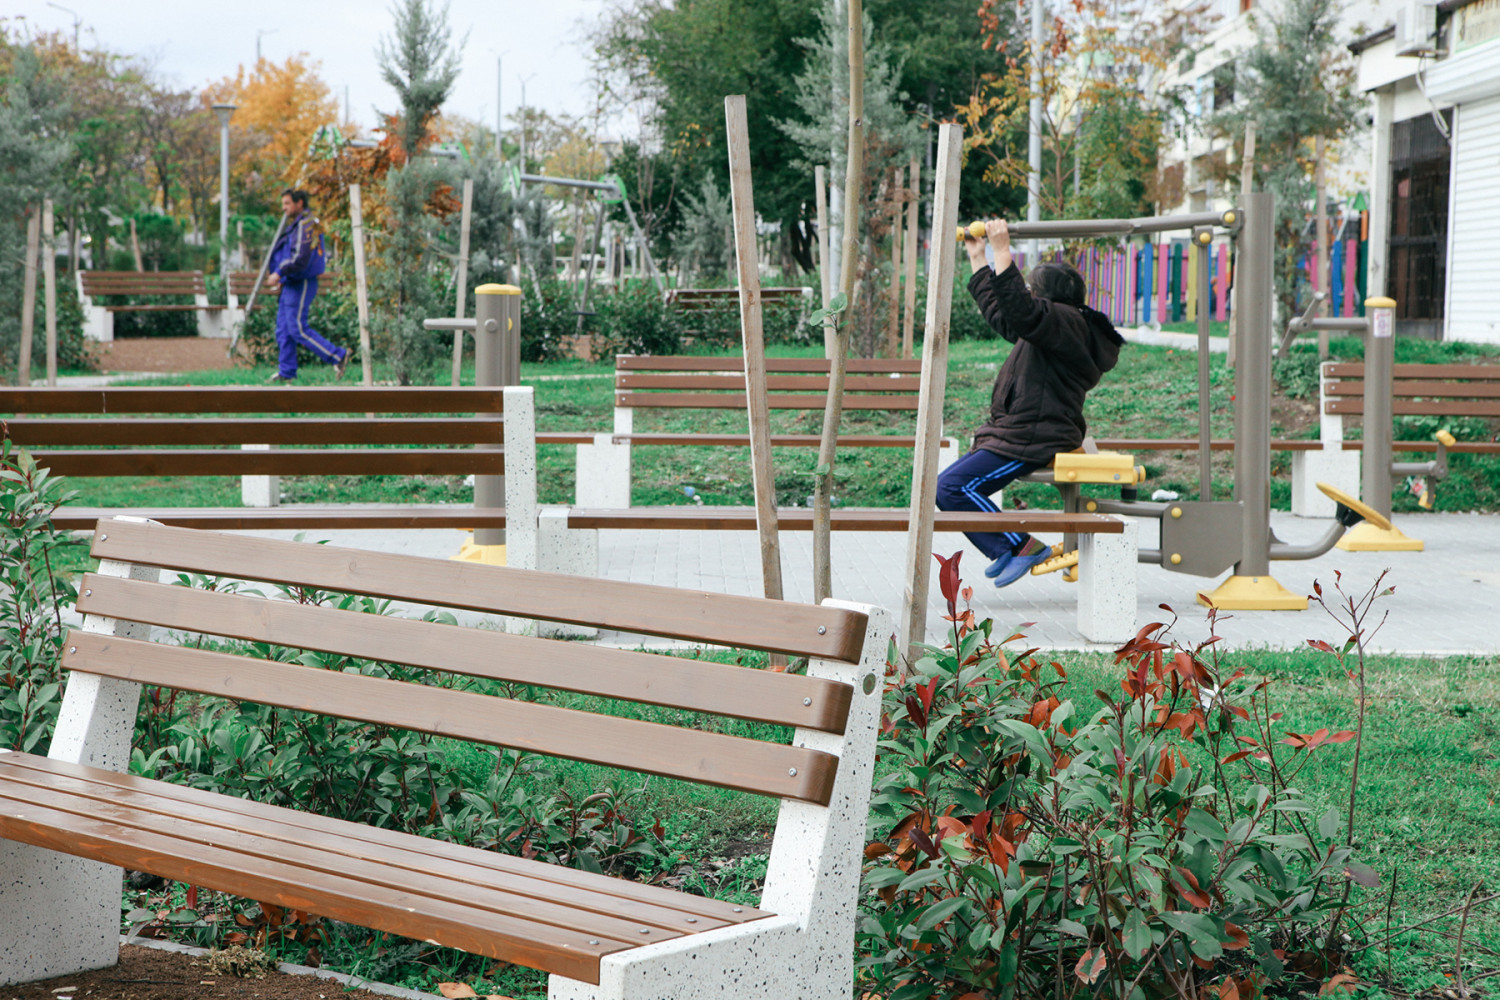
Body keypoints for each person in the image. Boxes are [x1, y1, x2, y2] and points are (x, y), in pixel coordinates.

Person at [935, 219, 1125, 588]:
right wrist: (979, 257)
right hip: (1023, 431)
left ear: (1047, 298)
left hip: (1035, 434)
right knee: (957, 488)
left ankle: (1020, 545)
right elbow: (1002, 311)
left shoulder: (1065, 323)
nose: (1027, 296)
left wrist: (1002, 250)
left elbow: (1021, 309)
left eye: (1032, 291)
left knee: (953, 488)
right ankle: (1007, 547)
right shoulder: (1048, 331)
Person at [264, 189, 348, 383]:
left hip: (301, 282)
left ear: (299, 203)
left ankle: (338, 356)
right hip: (291, 282)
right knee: (283, 330)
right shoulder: (297, 225)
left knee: (298, 329)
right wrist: (282, 278)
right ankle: (286, 373)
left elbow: (300, 258)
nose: (283, 208)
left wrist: (279, 272)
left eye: (287, 203)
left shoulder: (306, 224)